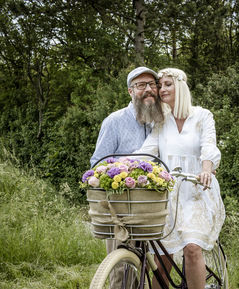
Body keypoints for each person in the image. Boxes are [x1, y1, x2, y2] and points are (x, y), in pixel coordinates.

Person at [134, 68, 226, 289]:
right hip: (170, 193)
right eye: (161, 85)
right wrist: (119, 168)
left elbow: (209, 147)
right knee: (163, 257)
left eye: (167, 84)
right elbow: (146, 152)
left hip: (197, 190)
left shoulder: (202, 115)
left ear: (181, 87)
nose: (161, 89)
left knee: (192, 248)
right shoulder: (161, 120)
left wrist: (206, 169)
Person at [90, 66, 164, 287]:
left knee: (155, 264)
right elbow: (98, 162)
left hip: (154, 206)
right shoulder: (114, 121)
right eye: (141, 85)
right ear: (130, 91)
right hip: (121, 206)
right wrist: (121, 172)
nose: (149, 89)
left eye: (152, 85)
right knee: (122, 271)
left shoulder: (161, 120)